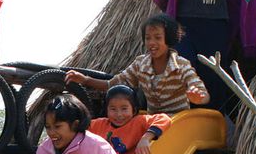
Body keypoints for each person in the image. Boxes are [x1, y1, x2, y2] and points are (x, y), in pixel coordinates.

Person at [66, 14, 208, 114]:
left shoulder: (181, 65)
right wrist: (85, 80)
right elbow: (113, 83)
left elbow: (201, 91)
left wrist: (198, 97)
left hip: (178, 123)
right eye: (148, 38)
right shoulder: (141, 64)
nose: (151, 43)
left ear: (168, 39)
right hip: (153, 124)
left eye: (158, 38)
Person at [89, 85, 173, 154]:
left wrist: (146, 138)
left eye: (124, 109)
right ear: (106, 110)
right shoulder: (100, 124)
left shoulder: (139, 121)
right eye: (113, 109)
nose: (119, 114)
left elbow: (164, 118)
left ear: (134, 109)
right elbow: (79, 126)